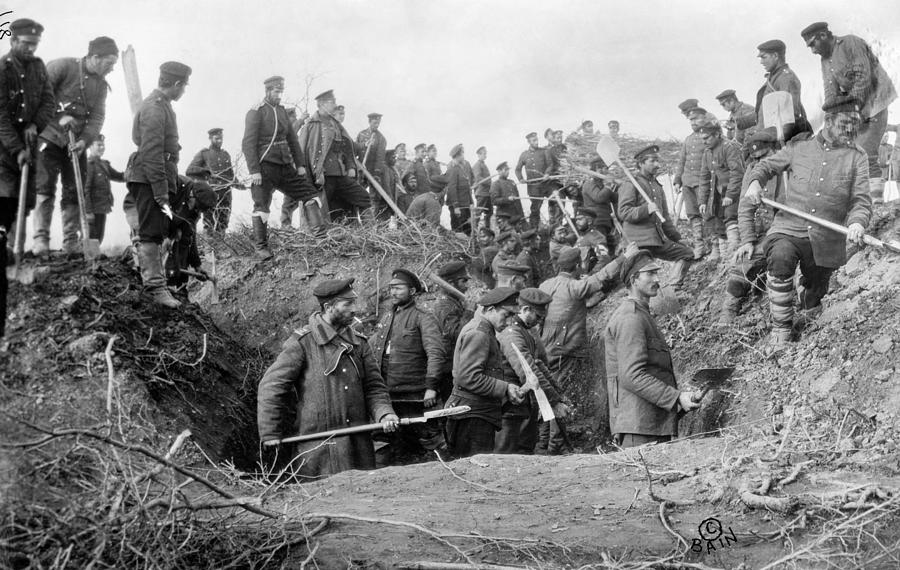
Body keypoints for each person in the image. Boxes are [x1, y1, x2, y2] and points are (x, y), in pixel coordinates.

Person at [745, 96, 872, 344]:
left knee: (815, 296)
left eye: (855, 124)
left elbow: (861, 200)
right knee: (781, 256)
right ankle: (781, 331)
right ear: (829, 121)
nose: (851, 130)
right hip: (789, 229)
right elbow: (765, 167)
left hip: (826, 238)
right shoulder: (798, 149)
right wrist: (754, 183)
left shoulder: (858, 158)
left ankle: (807, 315)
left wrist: (857, 222)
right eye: (845, 123)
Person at [257, 278, 400, 479]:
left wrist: (384, 413)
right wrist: (270, 433)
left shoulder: (359, 344)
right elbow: (271, 387)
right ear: (329, 306)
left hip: (358, 447)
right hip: (317, 449)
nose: (354, 309)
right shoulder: (302, 343)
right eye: (348, 304)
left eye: (354, 303)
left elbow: (374, 387)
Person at [537, 243, 639, 454]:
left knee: (550, 396)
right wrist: (623, 257)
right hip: (564, 352)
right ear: (576, 266)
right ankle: (555, 445)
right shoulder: (575, 288)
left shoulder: (547, 284)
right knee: (558, 397)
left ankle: (548, 443)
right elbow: (601, 277)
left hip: (548, 348)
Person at [605, 250, 701, 448]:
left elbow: (652, 370)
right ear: (634, 280)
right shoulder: (630, 318)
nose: (658, 279)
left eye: (657, 273)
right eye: (650, 274)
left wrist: (682, 399)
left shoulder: (642, 314)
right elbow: (631, 375)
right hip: (639, 428)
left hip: (649, 424)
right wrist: (675, 398)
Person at [33, 36, 118, 257]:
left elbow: (97, 117)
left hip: (76, 145)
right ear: (95, 57)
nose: (112, 69)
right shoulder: (62, 67)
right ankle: (40, 240)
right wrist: (59, 118)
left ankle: (71, 242)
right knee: (45, 187)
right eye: (109, 63)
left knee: (73, 190)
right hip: (49, 137)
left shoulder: (100, 86)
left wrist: (84, 141)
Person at [801, 22, 898, 204]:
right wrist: (831, 117)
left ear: (823, 35)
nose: (812, 50)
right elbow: (830, 92)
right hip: (855, 111)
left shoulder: (850, 43)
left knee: (866, 153)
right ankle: (861, 203)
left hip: (875, 104)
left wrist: (852, 109)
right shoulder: (825, 60)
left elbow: (863, 77)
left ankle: (876, 204)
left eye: (813, 44)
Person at [125, 61, 192, 309]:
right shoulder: (154, 109)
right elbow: (152, 153)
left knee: (156, 229)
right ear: (175, 84)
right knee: (151, 232)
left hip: (154, 175)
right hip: (149, 177)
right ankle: (154, 288)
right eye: (183, 86)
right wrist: (161, 192)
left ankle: (155, 281)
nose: (183, 90)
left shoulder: (162, 106)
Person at [0, 17, 53, 312]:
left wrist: (35, 124)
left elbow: (48, 102)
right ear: (13, 41)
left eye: (35, 44)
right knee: (5, 201)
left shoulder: (39, 67)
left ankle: (15, 251)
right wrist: (16, 148)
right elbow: (0, 116)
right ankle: (8, 252)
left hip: (29, 145)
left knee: (26, 201)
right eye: (27, 44)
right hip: (3, 148)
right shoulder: (2, 70)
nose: (31, 49)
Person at [369, 269, 446, 465]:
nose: (393, 293)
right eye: (391, 288)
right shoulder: (386, 318)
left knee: (428, 442)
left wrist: (431, 387)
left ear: (412, 291)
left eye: (398, 288)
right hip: (388, 396)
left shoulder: (423, 317)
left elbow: (435, 353)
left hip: (415, 396)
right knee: (386, 443)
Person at [243, 76, 321, 257]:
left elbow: (292, 140)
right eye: (276, 92)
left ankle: (321, 236)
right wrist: (254, 170)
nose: (279, 95)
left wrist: (300, 164)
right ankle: (261, 247)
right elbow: (248, 144)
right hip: (265, 167)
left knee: (309, 194)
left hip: (285, 166)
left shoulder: (282, 112)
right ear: (268, 91)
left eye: (281, 91)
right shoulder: (256, 112)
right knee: (261, 206)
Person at [444, 287, 525, 458]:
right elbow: (468, 377)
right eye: (507, 315)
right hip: (472, 416)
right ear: (490, 310)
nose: (510, 322)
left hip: (475, 413)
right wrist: (505, 388)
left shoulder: (484, 330)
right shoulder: (479, 333)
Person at [717, 129, 782, 326]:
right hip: (767, 233)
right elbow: (745, 209)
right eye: (755, 158)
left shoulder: (790, 167)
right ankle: (728, 314)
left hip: (794, 229)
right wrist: (747, 241)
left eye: (765, 156)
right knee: (743, 262)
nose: (760, 163)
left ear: (776, 150)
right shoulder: (752, 172)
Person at [495, 288, 568, 454]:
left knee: (524, 450)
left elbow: (538, 364)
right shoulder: (512, 334)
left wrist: (557, 394)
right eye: (538, 316)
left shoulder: (523, 331)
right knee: (507, 453)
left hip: (523, 402)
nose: (539, 322)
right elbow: (528, 370)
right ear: (526, 310)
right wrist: (554, 402)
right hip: (510, 404)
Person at [618, 145, 694, 285]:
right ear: (641, 163)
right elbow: (623, 212)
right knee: (645, 277)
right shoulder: (631, 184)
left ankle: (673, 286)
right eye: (652, 161)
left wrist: (677, 238)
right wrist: (645, 209)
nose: (657, 165)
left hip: (656, 241)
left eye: (657, 161)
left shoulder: (657, 186)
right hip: (638, 243)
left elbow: (664, 218)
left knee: (687, 253)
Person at [299, 90, 371, 223]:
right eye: (332, 102)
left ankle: (371, 233)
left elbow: (348, 147)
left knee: (363, 197)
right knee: (326, 213)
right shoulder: (310, 126)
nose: (335, 105)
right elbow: (300, 153)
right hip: (322, 178)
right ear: (322, 104)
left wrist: (350, 166)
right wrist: (306, 180)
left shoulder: (336, 125)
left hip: (340, 175)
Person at [697, 120, 744, 261]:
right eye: (702, 139)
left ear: (717, 134)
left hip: (733, 193)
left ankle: (736, 255)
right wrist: (703, 201)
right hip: (717, 195)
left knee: (730, 218)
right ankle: (725, 259)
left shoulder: (729, 147)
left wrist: (730, 195)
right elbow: (704, 178)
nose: (704, 142)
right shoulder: (707, 153)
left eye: (706, 138)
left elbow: (737, 173)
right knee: (718, 223)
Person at [164, 177, 216, 298]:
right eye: (196, 207)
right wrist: (165, 234)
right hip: (154, 223)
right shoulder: (174, 186)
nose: (196, 211)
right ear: (192, 195)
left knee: (183, 237)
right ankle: (166, 287)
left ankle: (180, 289)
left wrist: (197, 265)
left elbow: (190, 238)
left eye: (199, 210)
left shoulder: (194, 210)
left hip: (174, 228)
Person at [432, 261, 475, 401]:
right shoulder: (444, 304)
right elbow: (457, 334)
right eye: (463, 281)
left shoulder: (453, 300)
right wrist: (469, 311)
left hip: (457, 363)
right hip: (448, 366)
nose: (467, 286)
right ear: (451, 283)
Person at [754, 39, 810, 143]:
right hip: (768, 137)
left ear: (775, 56)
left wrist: (775, 144)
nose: (761, 62)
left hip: (779, 142)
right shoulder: (774, 77)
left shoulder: (786, 78)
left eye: (764, 57)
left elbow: (790, 118)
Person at [673, 101, 708, 259]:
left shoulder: (708, 136)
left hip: (703, 182)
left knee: (708, 214)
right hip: (688, 183)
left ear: (704, 118)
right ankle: (699, 246)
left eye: (697, 119)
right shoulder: (688, 139)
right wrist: (677, 180)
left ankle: (715, 246)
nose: (694, 122)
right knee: (693, 215)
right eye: (691, 120)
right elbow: (682, 161)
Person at [186, 127, 236, 233]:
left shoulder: (225, 155)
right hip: (211, 192)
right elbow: (190, 170)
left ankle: (221, 248)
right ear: (210, 138)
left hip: (226, 194)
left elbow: (231, 175)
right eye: (217, 138)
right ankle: (209, 249)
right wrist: (208, 172)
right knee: (209, 222)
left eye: (221, 138)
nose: (220, 141)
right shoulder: (204, 154)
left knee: (223, 222)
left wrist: (239, 183)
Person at [83, 135, 124, 243]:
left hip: (102, 208)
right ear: (90, 147)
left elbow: (119, 176)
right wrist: (88, 211)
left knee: (99, 236)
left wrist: (133, 172)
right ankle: (88, 258)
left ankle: (93, 258)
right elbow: (86, 190)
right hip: (93, 209)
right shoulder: (89, 165)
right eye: (99, 145)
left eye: (103, 145)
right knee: (91, 237)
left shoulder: (103, 164)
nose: (102, 148)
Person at [515, 132, 554, 228]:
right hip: (534, 187)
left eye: (537, 140)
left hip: (546, 184)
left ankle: (554, 228)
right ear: (529, 142)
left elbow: (550, 164)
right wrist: (521, 179)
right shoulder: (524, 155)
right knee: (535, 209)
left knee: (554, 205)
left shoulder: (544, 151)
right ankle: (534, 230)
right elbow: (517, 169)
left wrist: (547, 173)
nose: (536, 142)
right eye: (534, 140)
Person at [357, 112, 390, 217]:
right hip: (361, 169)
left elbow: (380, 158)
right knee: (357, 193)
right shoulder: (361, 134)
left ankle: (372, 218)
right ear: (369, 122)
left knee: (374, 197)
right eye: (375, 122)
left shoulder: (381, 139)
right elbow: (356, 148)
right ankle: (356, 217)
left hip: (373, 172)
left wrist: (376, 173)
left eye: (378, 123)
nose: (377, 125)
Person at [444, 144, 473, 233]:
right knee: (458, 232)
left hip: (465, 205)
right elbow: (452, 189)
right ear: (457, 155)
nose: (464, 156)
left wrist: (471, 203)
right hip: (458, 207)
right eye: (462, 153)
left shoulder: (461, 167)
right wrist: (456, 207)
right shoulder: (452, 169)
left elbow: (467, 188)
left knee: (468, 231)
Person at [490, 161, 524, 225]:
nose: (507, 172)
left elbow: (518, 201)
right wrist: (507, 199)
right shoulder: (496, 184)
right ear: (499, 172)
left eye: (508, 169)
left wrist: (522, 215)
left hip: (516, 216)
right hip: (504, 217)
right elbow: (494, 201)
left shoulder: (512, 182)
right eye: (505, 170)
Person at [472, 146, 492, 228]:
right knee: (478, 213)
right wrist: (489, 182)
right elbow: (478, 178)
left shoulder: (483, 164)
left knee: (490, 212)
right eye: (484, 154)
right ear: (479, 154)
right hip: (481, 193)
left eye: (486, 153)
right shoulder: (477, 165)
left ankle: (487, 229)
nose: (485, 155)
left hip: (487, 193)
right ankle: (474, 231)